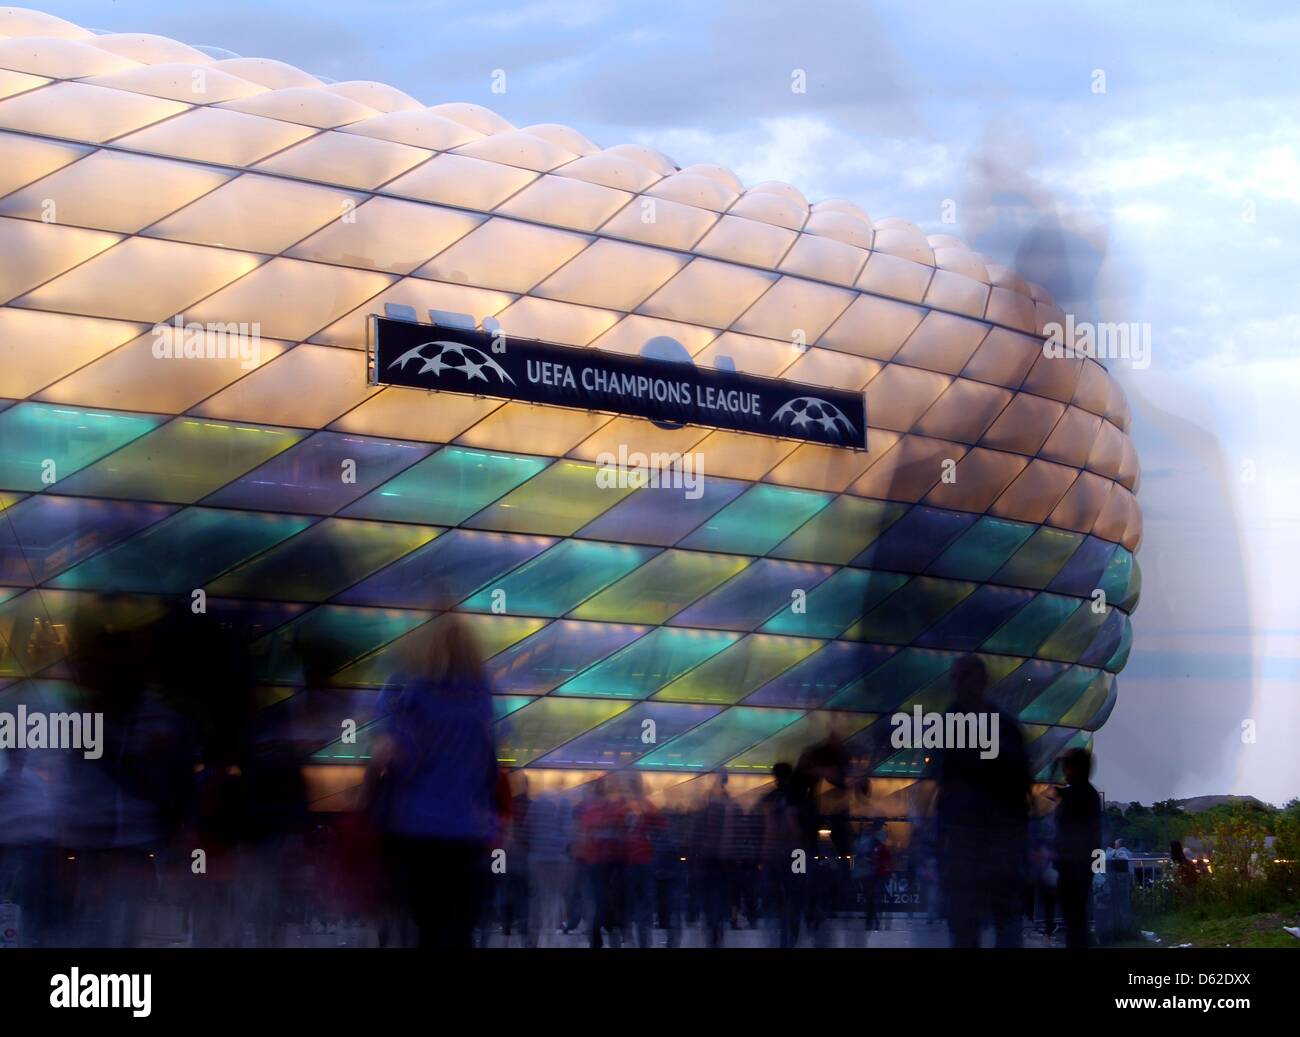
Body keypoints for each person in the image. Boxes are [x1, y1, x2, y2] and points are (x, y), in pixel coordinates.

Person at [366, 615, 498, 948]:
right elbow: (490, 763)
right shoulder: (481, 696)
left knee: (424, 926)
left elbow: (391, 755)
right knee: (458, 928)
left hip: (418, 827)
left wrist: (368, 802)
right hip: (467, 830)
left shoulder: (414, 692)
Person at [934, 655, 1031, 948]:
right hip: (966, 843)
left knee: (1005, 917)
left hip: (999, 842)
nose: (958, 684)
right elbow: (943, 785)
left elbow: (1022, 786)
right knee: (966, 924)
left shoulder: (1005, 728)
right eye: (955, 678)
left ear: (983, 680)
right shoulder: (949, 725)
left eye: (964, 677)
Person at [1054, 748, 1101, 948]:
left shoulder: (1080, 794)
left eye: (1067, 767)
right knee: (1075, 917)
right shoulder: (1086, 793)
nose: (1065, 771)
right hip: (1078, 864)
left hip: (1074, 865)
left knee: (1074, 917)